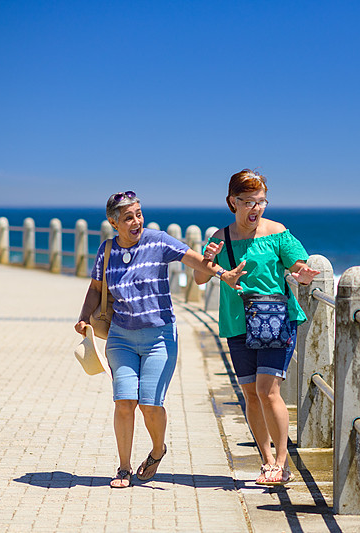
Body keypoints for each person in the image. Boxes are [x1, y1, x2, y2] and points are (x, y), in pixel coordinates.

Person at [75, 191, 245, 488]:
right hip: (120, 337)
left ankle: (157, 450)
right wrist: (82, 316)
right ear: (114, 223)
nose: (136, 221)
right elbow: (95, 288)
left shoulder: (158, 240)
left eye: (139, 214)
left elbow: (194, 260)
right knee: (124, 401)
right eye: (128, 217)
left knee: (150, 404)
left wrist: (222, 273)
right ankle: (124, 468)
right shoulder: (106, 250)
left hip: (159, 337)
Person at [194, 169, 320, 485]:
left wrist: (304, 274)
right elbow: (198, 279)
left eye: (261, 201)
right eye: (248, 202)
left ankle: (282, 462)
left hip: (275, 319)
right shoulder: (219, 239)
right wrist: (210, 262)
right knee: (251, 394)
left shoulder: (277, 233)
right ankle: (266, 461)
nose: (255, 209)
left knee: (268, 390)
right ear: (232, 202)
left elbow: (298, 266)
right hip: (237, 323)